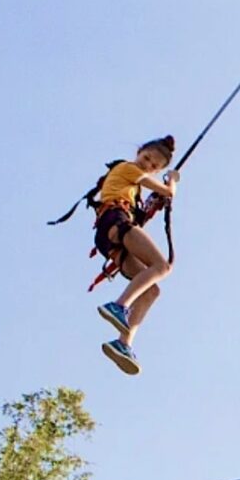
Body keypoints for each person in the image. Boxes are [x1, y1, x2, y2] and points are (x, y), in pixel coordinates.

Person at [88, 136, 181, 374]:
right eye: (146, 158)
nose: (147, 166)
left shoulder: (132, 188)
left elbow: (143, 206)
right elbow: (167, 191)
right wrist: (172, 181)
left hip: (112, 235)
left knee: (151, 290)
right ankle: (119, 306)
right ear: (139, 152)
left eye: (153, 166)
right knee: (162, 267)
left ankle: (123, 343)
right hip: (114, 221)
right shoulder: (127, 168)